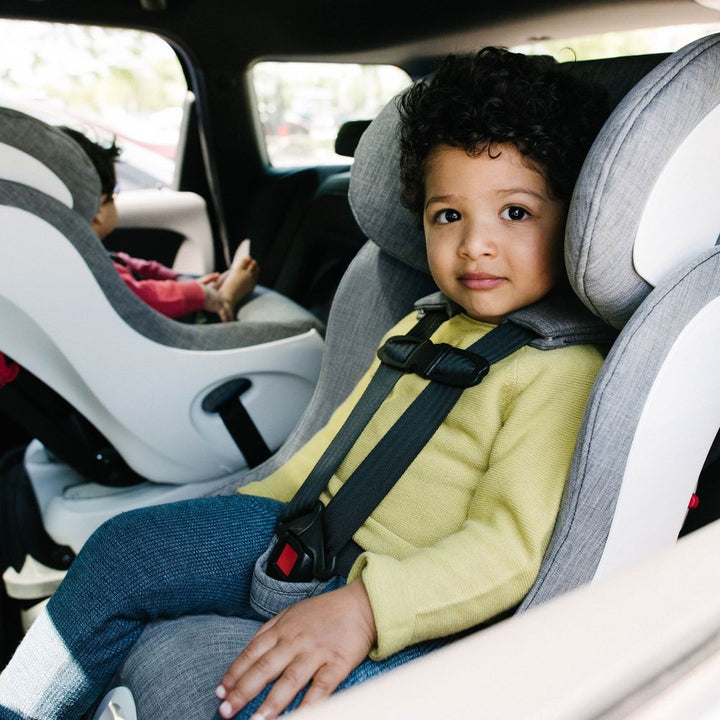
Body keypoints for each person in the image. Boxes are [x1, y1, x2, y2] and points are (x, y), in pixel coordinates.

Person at [0, 47, 610, 720]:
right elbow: (334, 445)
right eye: (448, 215)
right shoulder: (424, 321)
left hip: (405, 598)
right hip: (313, 536)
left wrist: (367, 608)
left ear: (572, 220)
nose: (474, 245)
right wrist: (230, 516)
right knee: (124, 548)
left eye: (515, 213)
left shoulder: (561, 370)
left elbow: (508, 549)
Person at [60, 127, 259, 322]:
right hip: (150, 331)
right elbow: (136, 296)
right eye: (114, 195)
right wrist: (202, 295)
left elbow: (128, 264)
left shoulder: (76, 254)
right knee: (212, 309)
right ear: (99, 210)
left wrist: (179, 280)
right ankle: (224, 300)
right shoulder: (90, 270)